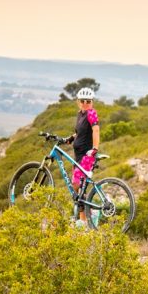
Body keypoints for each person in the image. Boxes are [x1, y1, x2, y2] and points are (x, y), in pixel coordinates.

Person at [64, 87, 100, 223]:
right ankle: (83, 219)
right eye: (83, 101)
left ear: (92, 102)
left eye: (88, 101)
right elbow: (79, 132)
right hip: (78, 156)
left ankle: (89, 215)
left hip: (86, 155)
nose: (85, 103)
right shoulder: (80, 114)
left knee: (76, 184)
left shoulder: (92, 113)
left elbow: (95, 130)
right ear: (78, 102)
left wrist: (95, 148)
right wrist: (71, 138)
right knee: (78, 189)